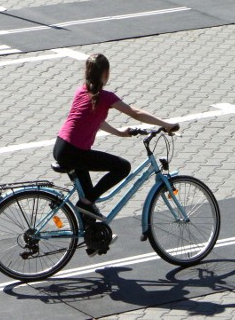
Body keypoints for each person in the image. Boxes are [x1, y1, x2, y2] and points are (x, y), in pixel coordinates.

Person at [53, 53, 178, 255]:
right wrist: (165, 124)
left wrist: (120, 133)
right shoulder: (105, 97)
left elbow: (96, 120)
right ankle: (85, 205)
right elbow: (135, 113)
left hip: (62, 147)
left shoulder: (83, 92)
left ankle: (94, 241)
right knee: (122, 167)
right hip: (75, 152)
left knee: (89, 198)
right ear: (105, 73)